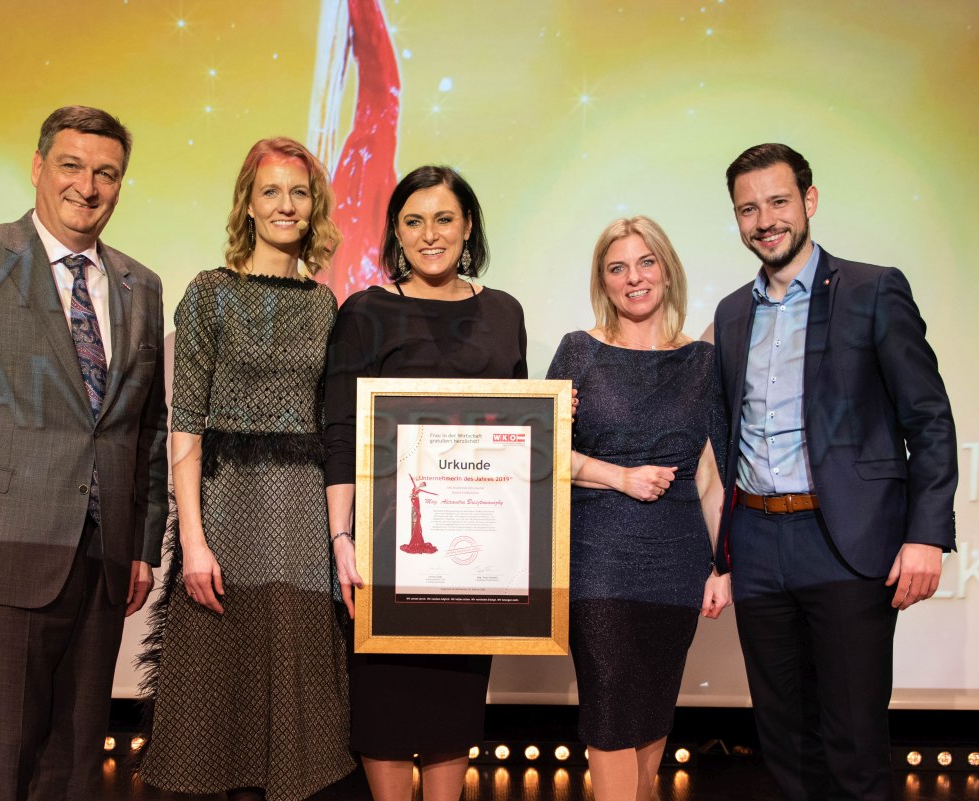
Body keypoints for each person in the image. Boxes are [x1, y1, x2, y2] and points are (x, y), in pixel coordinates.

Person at [0, 105, 168, 800]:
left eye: (107, 173)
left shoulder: (140, 284)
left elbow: (147, 429)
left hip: (102, 563)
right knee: (0, 765)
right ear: (39, 167)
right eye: (72, 166)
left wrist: (142, 543)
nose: (88, 187)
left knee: (75, 770)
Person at [713, 143, 957, 801]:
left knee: (853, 743)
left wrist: (926, 534)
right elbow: (727, 432)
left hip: (845, 542)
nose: (765, 220)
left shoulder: (873, 290)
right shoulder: (732, 313)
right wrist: (723, 553)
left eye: (778, 201)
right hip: (758, 545)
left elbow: (929, 419)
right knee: (784, 743)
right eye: (748, 209)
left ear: (810, 201)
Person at [135, 138, 354, 800]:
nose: (286, 205)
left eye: (299, 192)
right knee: (221, 698)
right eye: (271, 192)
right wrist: (192, 540)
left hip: (301, 522)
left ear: (314, 206)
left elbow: (332, 422)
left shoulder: (324, 305)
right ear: (248, 205)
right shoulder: (210, 294)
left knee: (297, 705)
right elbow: (185, 423)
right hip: (226, 514)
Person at [324, 165, 528, 801]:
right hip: (387, 552)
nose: (430, 234)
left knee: (453, 711)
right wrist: (341, 537)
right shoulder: (365, 311)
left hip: (474, 555)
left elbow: (519, 433)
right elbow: (340, 430)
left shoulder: (504, 312)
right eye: (413, 221)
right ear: (396, 231)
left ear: (468, 227)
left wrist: (554, 420)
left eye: (444, 219)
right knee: (382, 714)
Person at [545, 217, 732, 801]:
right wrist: (619, 477)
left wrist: (721, 565)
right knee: (608, 705)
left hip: (676, 559)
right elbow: (539, 449)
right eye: (618, 267)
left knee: (652, 709)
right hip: (595, 553)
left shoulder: (704, 361)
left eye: (646, 262)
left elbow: (715, 477)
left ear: (667, 271)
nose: (634, 278)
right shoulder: (579, 350)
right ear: (602, 281)